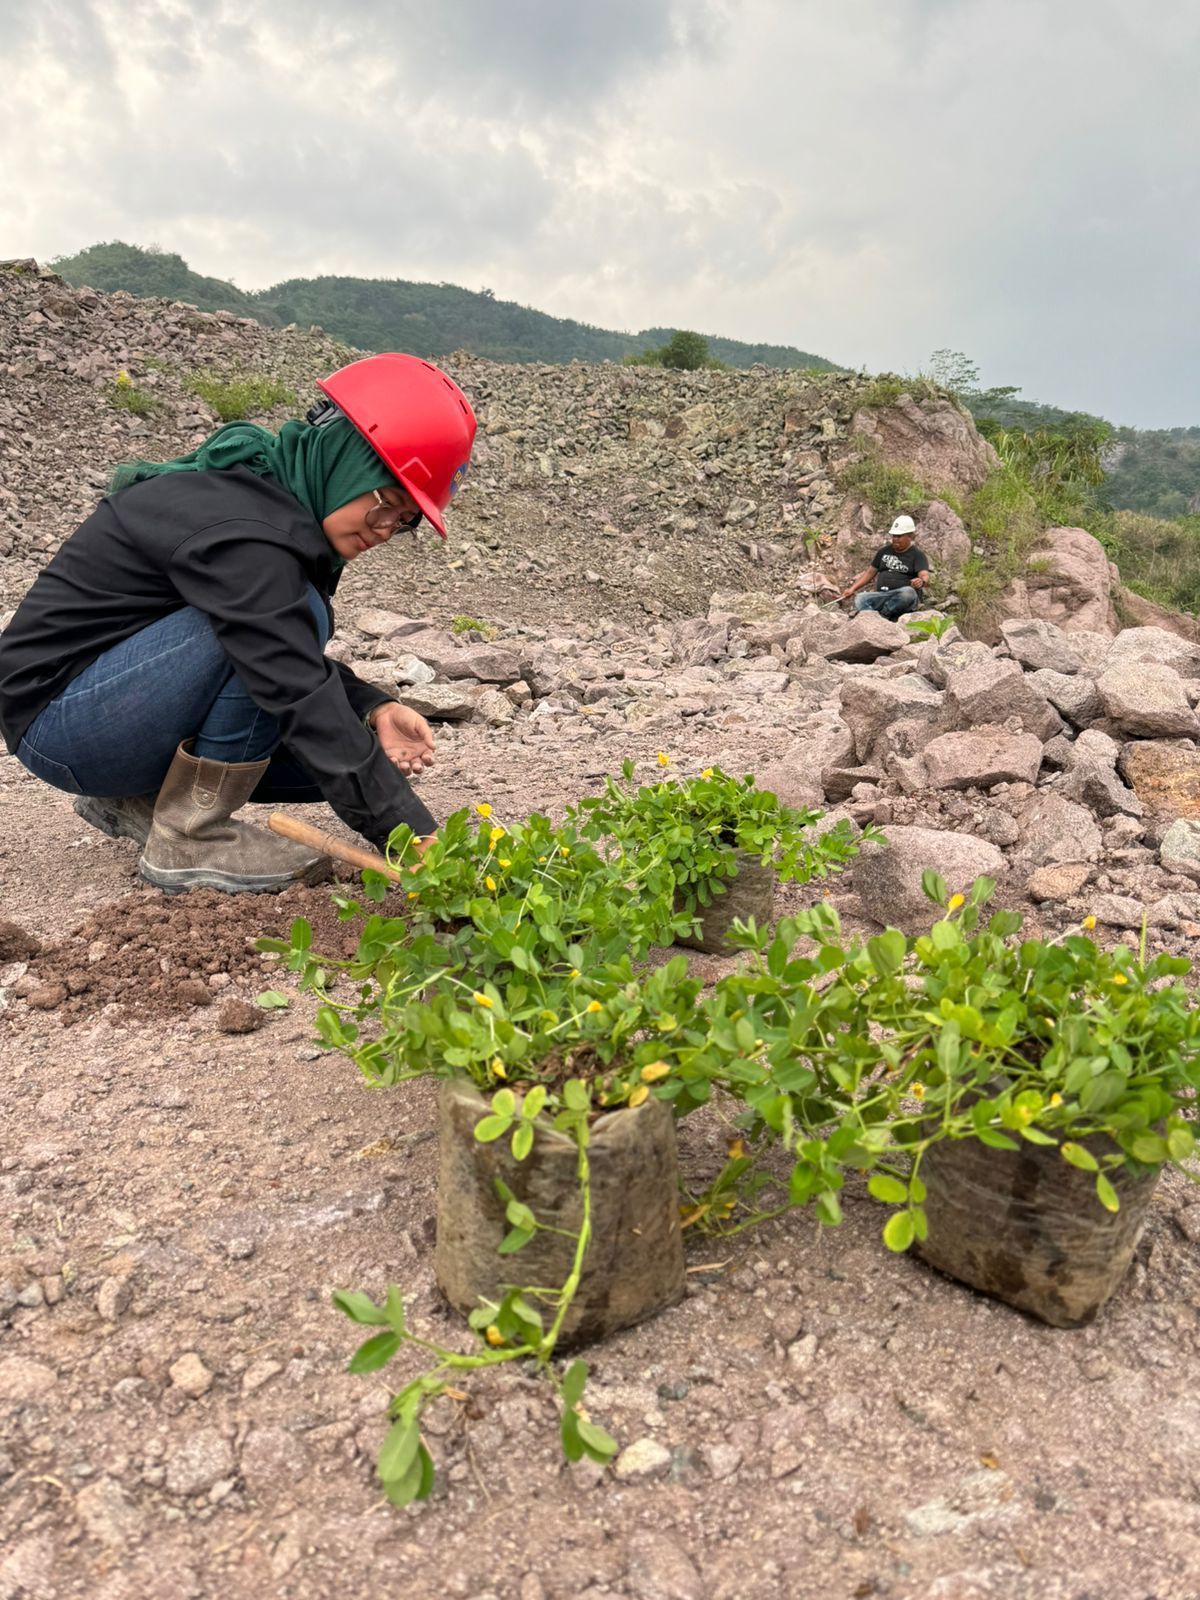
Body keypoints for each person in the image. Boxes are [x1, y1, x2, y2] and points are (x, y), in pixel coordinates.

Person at [0, 352, 477, 894]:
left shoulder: (265, 503)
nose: (387, 528)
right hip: (63, 724)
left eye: (405, 521)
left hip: (95, 713)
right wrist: (408, 834)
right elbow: (285, 674)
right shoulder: (246, 532)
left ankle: (145, 801)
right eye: (385, 503)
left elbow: (279, 649)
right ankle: (190, 836)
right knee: (301, 652)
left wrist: (372, 709)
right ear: (346, 462)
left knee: (323, 752)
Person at [838, 514, 931, 619]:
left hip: (901, 596)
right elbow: (870, 572)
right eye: (894, 536)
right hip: (882, 595)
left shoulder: (917, 555)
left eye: (899, 536)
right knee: (860, 598)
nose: (895, 539)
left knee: (908, 593)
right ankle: (874, 617)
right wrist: (852, 589)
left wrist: (921, 581)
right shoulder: (884, 551)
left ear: (909, 536)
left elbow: (924, 574)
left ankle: (882, 615)